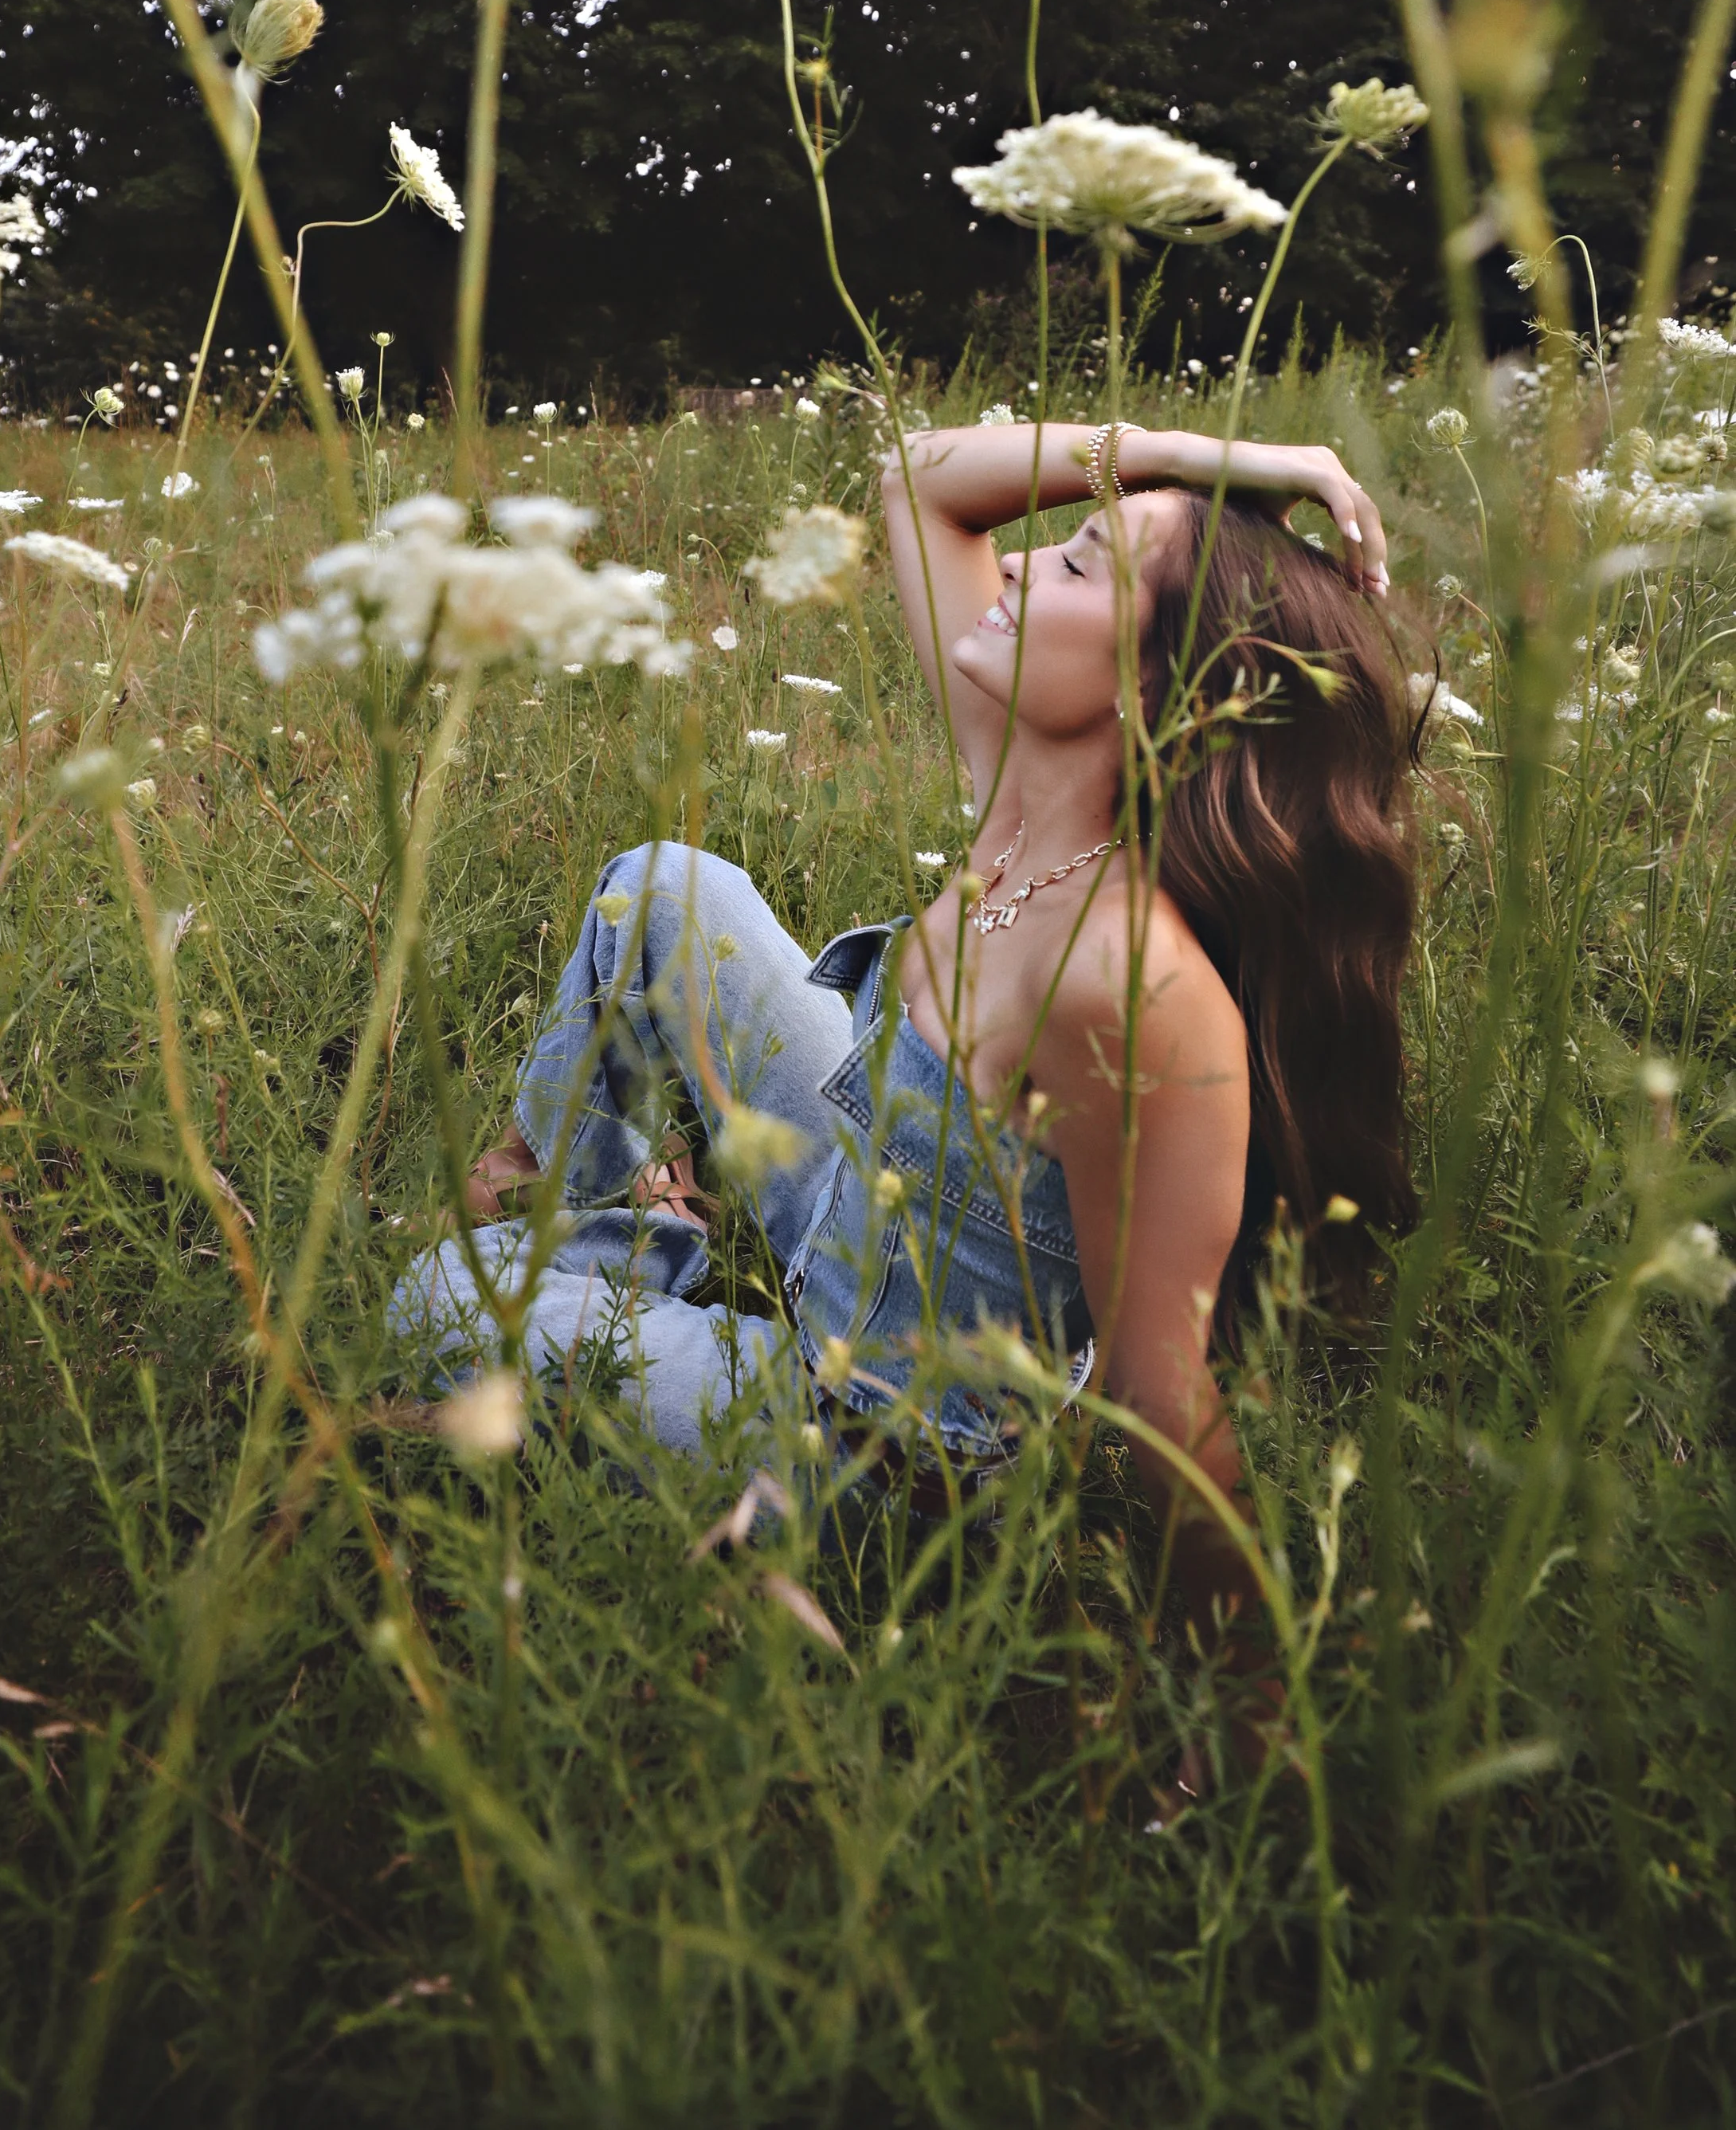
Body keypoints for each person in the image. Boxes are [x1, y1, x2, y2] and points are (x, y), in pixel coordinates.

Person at [394, 418, 1417, 1673]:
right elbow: (919, 478)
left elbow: (1162, 1395)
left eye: (1083, 565)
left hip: (877, 1432)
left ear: (1153, 693)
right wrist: (1210, 460)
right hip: (859, 1200)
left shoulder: (1129, 981)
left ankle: (613, 1268)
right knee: (662, 889)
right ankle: (590, 1224)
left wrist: (1251, 1695)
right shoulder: (1028, 779)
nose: (1028, 565)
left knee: (433, 1301)